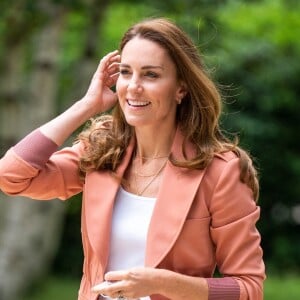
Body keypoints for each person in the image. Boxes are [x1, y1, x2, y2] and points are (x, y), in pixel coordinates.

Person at [0, 18, 265, 300]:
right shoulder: (101, 151)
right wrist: (85, 106)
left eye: (151, 75)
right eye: (126, 73)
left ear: (181, 89)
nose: (134, 86)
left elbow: (249, 288)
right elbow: (11, 176)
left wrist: (163, 283)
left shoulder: (221, 172)